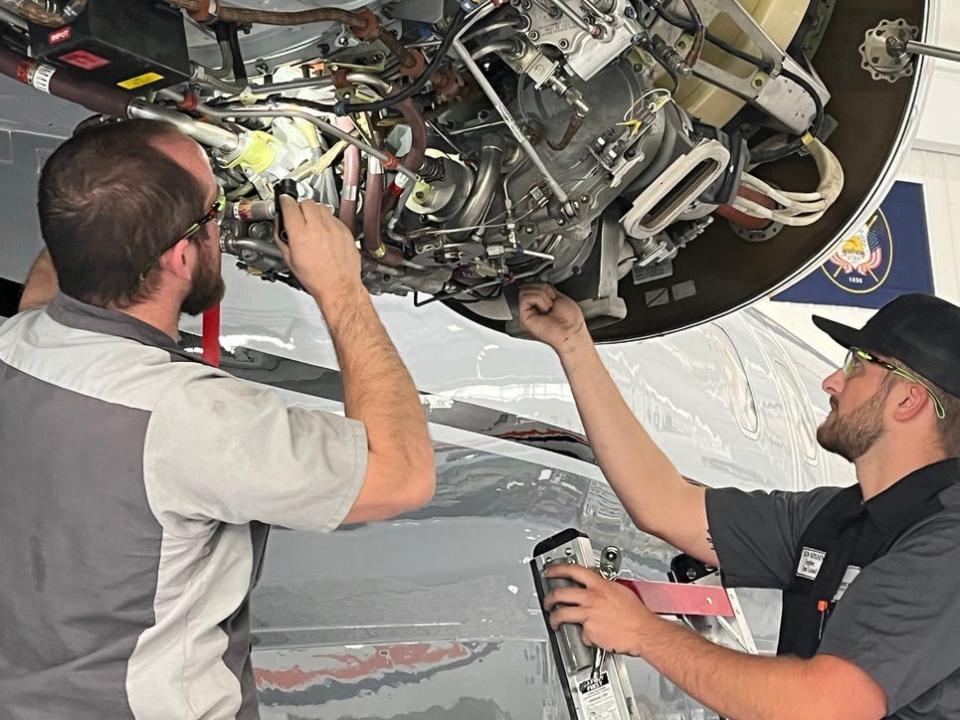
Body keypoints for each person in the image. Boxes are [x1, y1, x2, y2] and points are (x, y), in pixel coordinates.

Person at [0, 119, 435, 719]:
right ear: (181, 256)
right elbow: (403, 474)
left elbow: (61, 276)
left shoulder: (17, 344)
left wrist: (115, 169)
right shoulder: (189, 417)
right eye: (214, 212)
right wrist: (341, 287)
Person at [519, 282, 960, 720]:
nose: (831, 382)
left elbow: (827, 704)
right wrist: (574, 344)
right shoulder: (834, 519)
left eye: (855, 366)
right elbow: (666, 505)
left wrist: (642, 631)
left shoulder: (948, 543)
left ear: (908, 398)